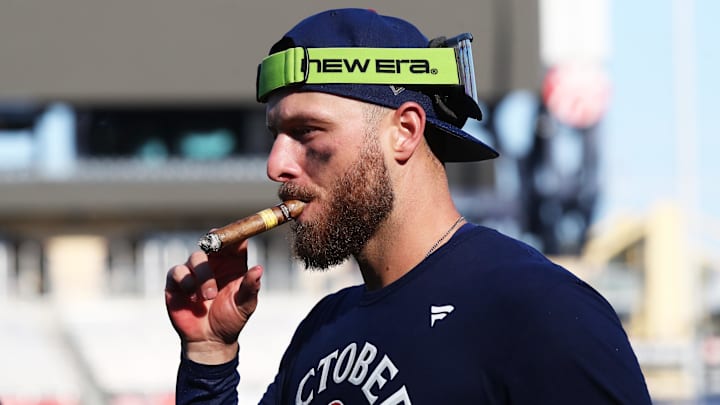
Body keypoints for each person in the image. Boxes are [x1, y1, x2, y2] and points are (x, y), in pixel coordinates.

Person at [165, 8, 652, 404]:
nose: (276, 165)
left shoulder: (538, 311)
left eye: (306, 132)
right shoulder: (323, 327)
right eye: (276, 136)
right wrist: (210, 357)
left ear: (405, 131)